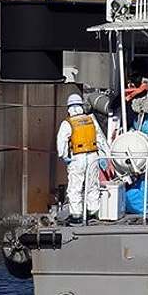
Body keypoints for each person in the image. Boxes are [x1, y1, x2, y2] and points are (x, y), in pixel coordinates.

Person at [56, 93, 110, 226]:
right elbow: (100, 139)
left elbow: (61, 141)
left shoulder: (68, 123)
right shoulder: (91, 120)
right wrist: (104, 155)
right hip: (93, 157)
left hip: (77, 158)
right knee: (93, 186)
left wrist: (63, 156)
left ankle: (76, 215)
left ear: (69, 107)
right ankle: (93, 213)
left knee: (75, 188)